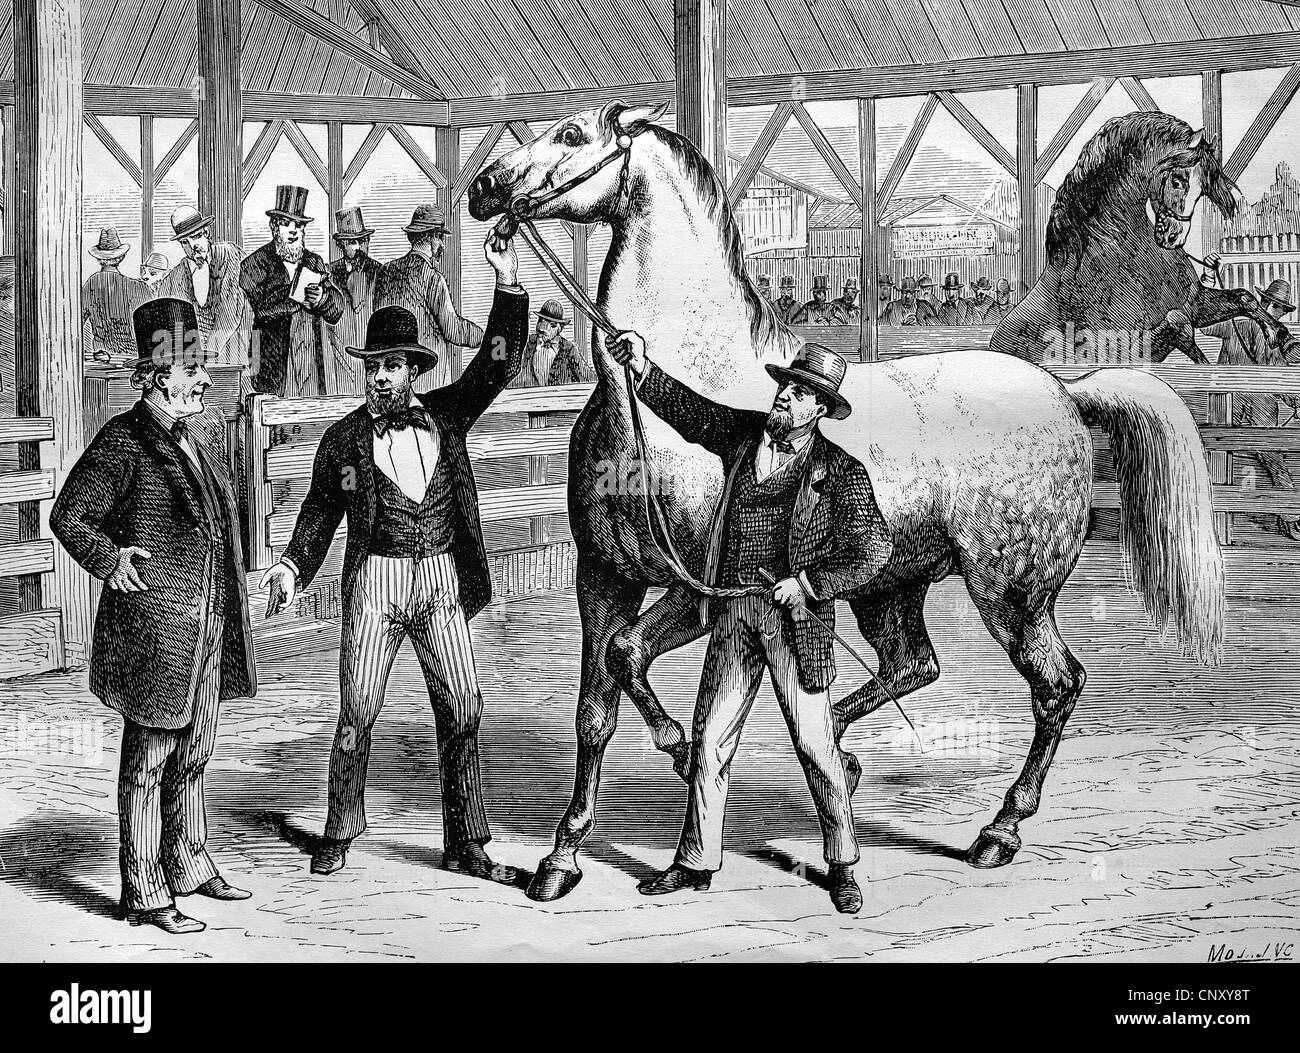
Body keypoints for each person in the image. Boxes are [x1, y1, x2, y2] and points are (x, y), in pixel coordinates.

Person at [258, 231, 528, 879]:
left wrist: (508, 281)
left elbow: (496, 360)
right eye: (372, 365)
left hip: (440, 578)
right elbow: (320, 513)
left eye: (393, 365)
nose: (381, 376)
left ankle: (465, 841)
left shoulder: (449, 415)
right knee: (357, 712)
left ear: (414, 369)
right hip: (374, 584)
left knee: (463, 707)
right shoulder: (343, 440)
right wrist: (292, 564)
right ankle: (340, 826)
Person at [607, 335, 893, 914]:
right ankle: (696, 860)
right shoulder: (741, 435)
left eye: (802, 393)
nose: (786, 396)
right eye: (786, 386)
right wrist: (641, 364)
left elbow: (875, 550)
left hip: (797, 622)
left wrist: (810, 585)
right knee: (711, 740)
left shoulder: (841, 472)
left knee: (816, 747)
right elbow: (690, 411)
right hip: (735, 613)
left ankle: (841, 862)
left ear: (820, 409)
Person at [50, 297, 257, 935]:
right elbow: (68, 517)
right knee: (150, 758)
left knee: (195, 751)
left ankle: (189, 861)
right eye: (191, 368)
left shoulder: (205, 434)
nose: (203, 378)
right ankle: (144, 889)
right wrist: (112, 560)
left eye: (201, 365)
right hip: (154, 627)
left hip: (207, 622)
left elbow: (227, 521)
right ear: (154, 376)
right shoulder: (123, 439)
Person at [1201, 277, 1300, 539]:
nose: (1279, 313)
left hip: (1228, 401)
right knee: (1271, 458)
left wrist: (1209, 282)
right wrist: (1294, 401)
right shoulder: (1262, 330)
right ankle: (1291, 519)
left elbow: (1206, 326)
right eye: (1278, 308)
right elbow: (1279, 373)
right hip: (1255, 404)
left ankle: (1211, 518)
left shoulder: (1237, 322)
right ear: (1268, 304)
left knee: (1218, 453)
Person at [240, 186, 346, 397]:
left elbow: (336, 310)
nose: (293, 230)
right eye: (286, 223)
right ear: (274, 226)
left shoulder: (313, 261)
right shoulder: (254, 264)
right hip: (272, 361)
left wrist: (322, 298)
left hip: (310, 364)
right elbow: (261, 310)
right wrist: (299, 295)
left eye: (298, 225)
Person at [373, 204, 483, 393]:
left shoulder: (385, 272)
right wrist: (484, 336)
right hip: (428, 378)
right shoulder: (432, 277)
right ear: (431, 237)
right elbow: (453, 330)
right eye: (440, 237)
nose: (441, 244)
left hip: (390, 377)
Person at [155, 205, 252, 369]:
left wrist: (207, 357)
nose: (193, 246)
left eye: (196, 236)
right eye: (185, 242)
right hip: (191, 369)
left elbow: (231, 312)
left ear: (206, 233)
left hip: (235, 361)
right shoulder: (173, 279)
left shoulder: (229, 255)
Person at [328, 206, 382, 395]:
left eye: (363, 240)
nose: (359, 247)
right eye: (352, 242)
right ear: (341, 245)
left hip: (372, 355)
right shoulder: (329, 274)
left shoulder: (379, 272)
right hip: (340, 358)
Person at [82, 227, 152, 360]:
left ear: (98, 259)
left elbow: (75, 324)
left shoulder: (91, 284)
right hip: (134, 359)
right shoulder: (139, 288)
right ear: (122, 257)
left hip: (103, 359)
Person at [509, 299, 588, 388]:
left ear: (560, 328)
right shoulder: (527, 343)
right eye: (541, 321)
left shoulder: (569, 349)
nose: (543, 328)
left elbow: (588, 378)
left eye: (552, 325)